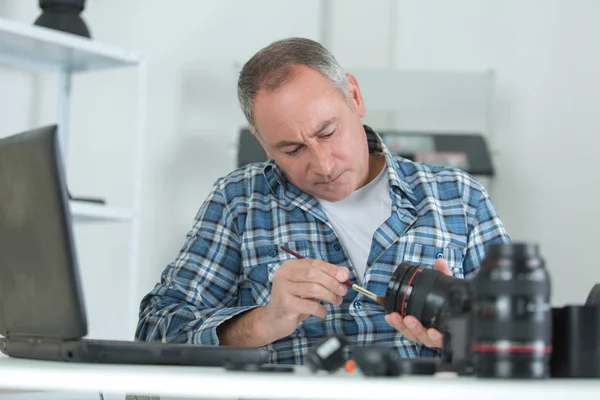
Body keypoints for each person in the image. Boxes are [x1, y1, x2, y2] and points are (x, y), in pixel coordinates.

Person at [135, 37, 510, 364]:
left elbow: (522, 340)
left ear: (355, 97)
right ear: (263, 142)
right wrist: (262, 322)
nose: (324, 165)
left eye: (328, 132)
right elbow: (156, 331)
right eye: (292, 149)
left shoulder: (459, 197)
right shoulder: (240, 202)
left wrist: (465, 337)